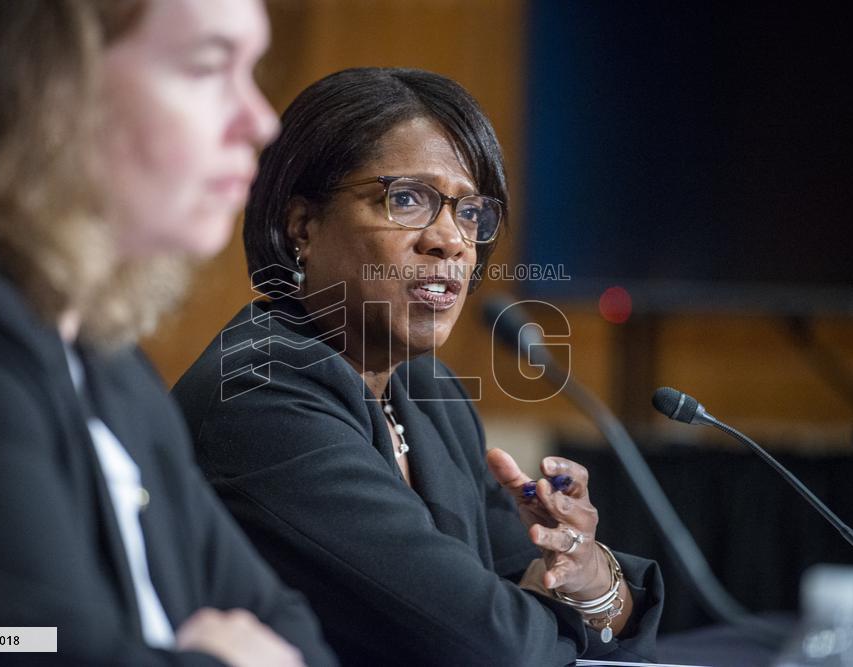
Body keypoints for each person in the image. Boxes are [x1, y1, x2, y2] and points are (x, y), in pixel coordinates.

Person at [173, 67, 664, 666]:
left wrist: (586, 571)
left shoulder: (429, 393)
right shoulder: (259, 397)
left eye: (470, 213)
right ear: (302, 225)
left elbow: (526, 580)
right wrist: (558, 613)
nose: (451, 241)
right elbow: (488, 645)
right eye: (406, 199)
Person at [0, 2, 337, 665]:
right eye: (209, 65)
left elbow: (288, 625)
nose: (261, 121)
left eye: (253, 69)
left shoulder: (114, 367)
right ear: (40, 84)